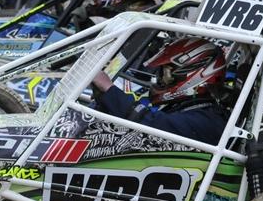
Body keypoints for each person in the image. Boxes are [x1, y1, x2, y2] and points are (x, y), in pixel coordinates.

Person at [91, 37, 230, 145]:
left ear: (193, 76)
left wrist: (109, 89)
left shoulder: (207, 121)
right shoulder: (187, 108)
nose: (160, 80)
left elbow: (152, 126)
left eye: (166, 74)